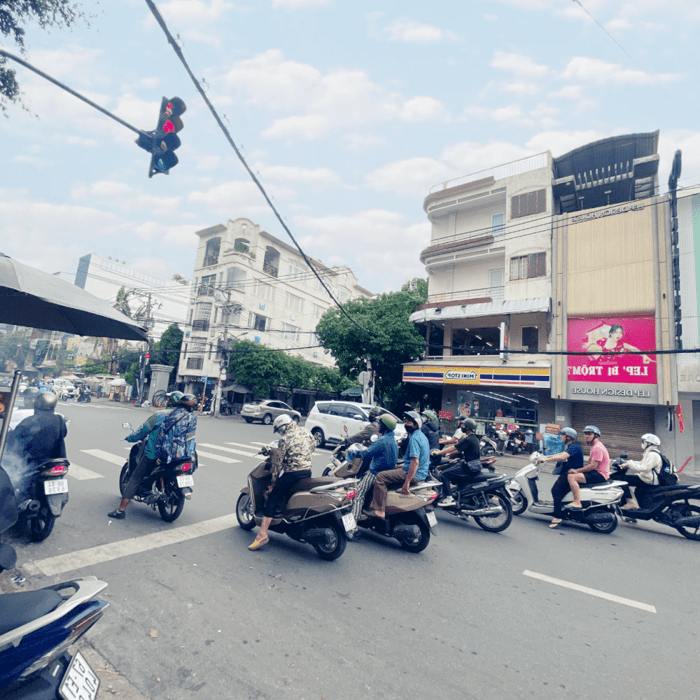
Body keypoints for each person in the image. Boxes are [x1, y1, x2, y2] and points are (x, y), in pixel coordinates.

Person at [108, 392, 198, 519]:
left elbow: (142, 431)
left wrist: (130, 437)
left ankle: (121, 510)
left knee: (134, 479)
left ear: (169, 402)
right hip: (181, 455)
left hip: (156, 455)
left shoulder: (159, 415)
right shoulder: (190, 417)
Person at [249, 414, 316, 550]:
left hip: (292, 473)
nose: (280, 433)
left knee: (273, 496)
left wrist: (273, 483)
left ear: (283, 426)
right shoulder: (306, 431)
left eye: (279, 430)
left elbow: (278, 464)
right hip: (307, 472)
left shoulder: (285, 439)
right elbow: (313, 447)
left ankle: (262, 534)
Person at [368, 411, 429, 519]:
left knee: (380, 477)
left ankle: (379, 511)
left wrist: (407, 483)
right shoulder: (422, 436)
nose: (406, 424)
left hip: (415, 473)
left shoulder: (414, 438)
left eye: (409, 422)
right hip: (421, 472)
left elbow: (415, 462)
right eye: (405, 421)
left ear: (415, 424)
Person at [345, 414, 399, 537]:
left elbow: (367, 453)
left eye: (380, 424)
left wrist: (352, 452)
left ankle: (351, 528)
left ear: (384, 426)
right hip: (387, 474)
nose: (378, 426)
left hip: (375, 473)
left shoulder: (382, 441)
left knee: (358, 495)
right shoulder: (392, 440)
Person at [5, 392, 67, 470]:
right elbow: (64, 433)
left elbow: (14, 438)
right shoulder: (59, 419)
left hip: (32, 463)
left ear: (36, 405)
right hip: (56, 460)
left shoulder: (28, 421)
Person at [536, 427, 583, 528]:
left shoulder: (574, 447)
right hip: (569, 473)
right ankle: (563, 511)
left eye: (562, 435)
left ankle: (558, 517)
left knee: (555, 490)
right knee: (560, 492)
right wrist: (545, 457)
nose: (561, 437)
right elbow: (561, 454)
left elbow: (562, 457)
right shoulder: (572, 446)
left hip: (570, 474)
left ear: (568, 437)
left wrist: (546, 460)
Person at [431, 417, 481, 507]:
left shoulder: (468, 439)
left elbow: (453, 447)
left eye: (463, 425)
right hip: (474, 465)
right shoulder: (474, 438)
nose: (462, 427)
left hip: (469, 466)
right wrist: (450, 454)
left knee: (444, 474)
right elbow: (458, 450)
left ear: (467, 428)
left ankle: (448, 497)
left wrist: (438, 453)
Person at [566, 425, 610, 510]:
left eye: (589, 434)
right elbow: (590, 463)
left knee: (571, 477)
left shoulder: (597, 447)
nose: (587, 436)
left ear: (595, 435)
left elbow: (593, 466)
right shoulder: (594, 446)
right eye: (585, 434)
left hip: (600, 474)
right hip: (597, 472)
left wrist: (577, 471)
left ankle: (577, 502)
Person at [617, 433, 663, 510]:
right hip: (645, 478)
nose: (642, 444)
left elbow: (644, 468)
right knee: (628, 484)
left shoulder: (653, 455)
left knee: (621, 480)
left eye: (643, 442)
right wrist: (629, 462)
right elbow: (641, 463)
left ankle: (630, 503)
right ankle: (631, 509)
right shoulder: (650, 453)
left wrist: (630, 464)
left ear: (649, 443)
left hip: (648, 480)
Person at [587, 324, 655, 365]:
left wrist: (644, 356)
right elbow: (592, 343)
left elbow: (634, 349)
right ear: (611, 333)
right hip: (600, 370)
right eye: (616, 332)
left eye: (620, 333)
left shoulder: (622, 345)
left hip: (615, 370)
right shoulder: (602, 341)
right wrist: (588, 344)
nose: (619, 335)